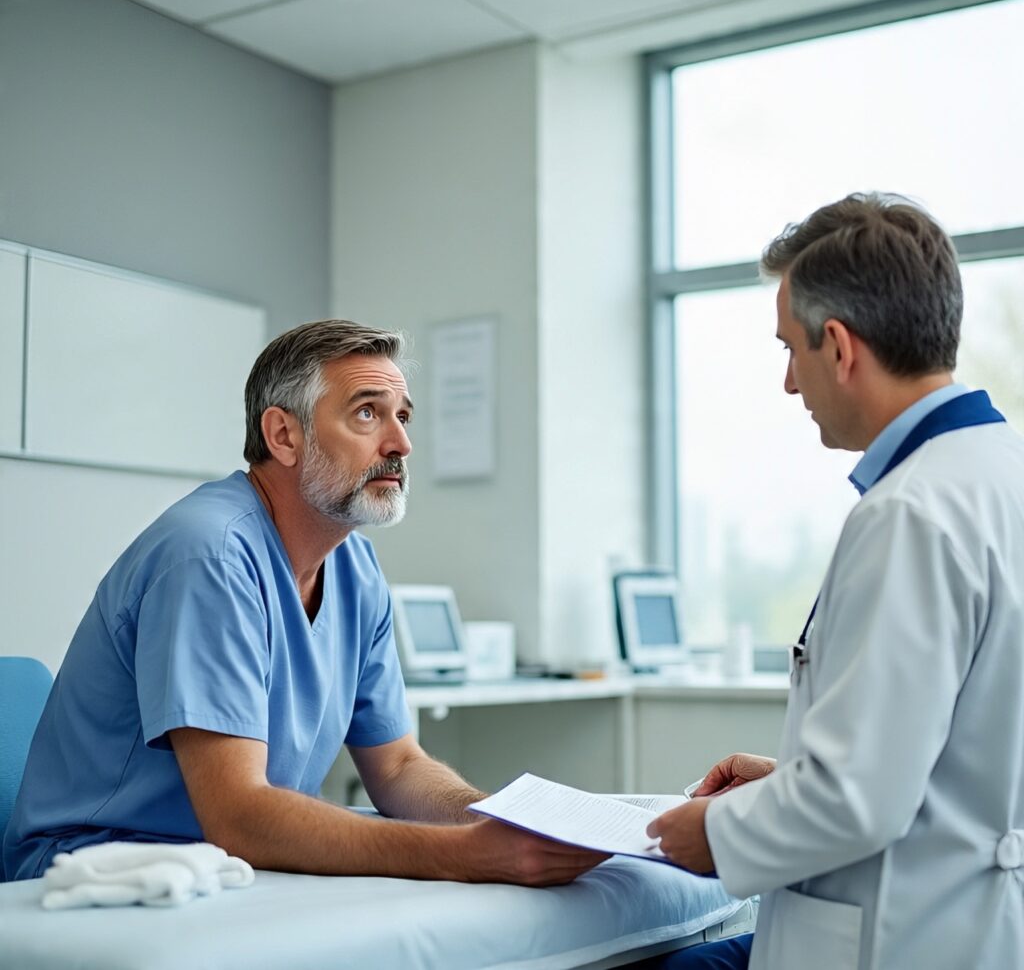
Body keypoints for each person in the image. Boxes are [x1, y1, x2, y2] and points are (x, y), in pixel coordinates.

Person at [3, 319, 607, 886]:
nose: (401, 442)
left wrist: (495, 820)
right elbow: (238, 816)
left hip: (232, 866)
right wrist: (465, 857)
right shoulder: (209, 555)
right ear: (284, 435)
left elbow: (396, 767)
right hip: (100, 870)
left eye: (403, 416)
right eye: (367, 413)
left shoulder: (355, 566)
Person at [645, 193, 1024, 969]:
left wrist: (710, 832)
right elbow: (967, 750)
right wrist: (792, 777)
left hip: (898, 935)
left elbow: (859, 800)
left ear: (841, 349)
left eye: (791, 349)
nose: (790, 383)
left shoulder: (910, 512)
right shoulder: (998, 474)